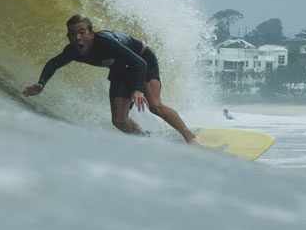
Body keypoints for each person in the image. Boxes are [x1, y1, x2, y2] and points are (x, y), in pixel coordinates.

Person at [23, 15, 201, 145]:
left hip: (142, 60)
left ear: (91, 34)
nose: (77, 38)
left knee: (154, 106)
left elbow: (139, 63)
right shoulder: (72, 51)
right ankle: (146, 140)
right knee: (119, 120)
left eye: (82, 32)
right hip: (120, 69)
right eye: (72, 34)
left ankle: (191, 137)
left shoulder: (106, 42)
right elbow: (55, 63)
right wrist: (42, 83)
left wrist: (138, 89)